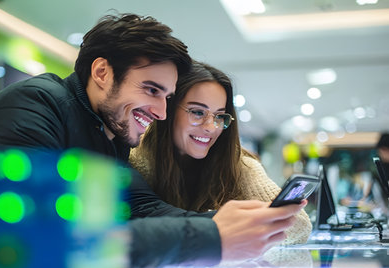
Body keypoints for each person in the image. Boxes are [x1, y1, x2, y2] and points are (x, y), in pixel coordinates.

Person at [0, 13, 306, 268]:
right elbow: (44, 239)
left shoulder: (110, 134)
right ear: (102, 73)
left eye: (166, 96)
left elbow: (144, 207)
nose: (161, 113)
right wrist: (211, 237)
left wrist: (230, 225)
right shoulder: (32, 104)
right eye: (151, 90)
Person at [130, 61, 311, 244]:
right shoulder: (133, 158)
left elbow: (299, 225)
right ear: (167, 110)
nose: (210, 127)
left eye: (219, 116)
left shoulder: (239, 164)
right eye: (198, 112)